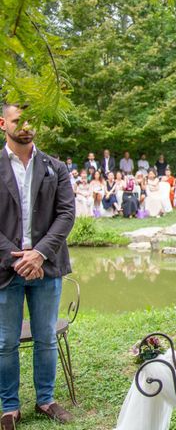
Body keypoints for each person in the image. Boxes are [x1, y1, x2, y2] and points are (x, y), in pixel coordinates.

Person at [0, 103, 75, 427]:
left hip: (46, 268)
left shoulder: (54, 167)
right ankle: (10, 406)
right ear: (3, 123)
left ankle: (46, 399)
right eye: (19, 120)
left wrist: (39, 254)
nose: (26, 126)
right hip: (5, 269)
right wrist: (16, 258)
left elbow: (66, 214)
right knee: (5, 343)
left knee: (45, 337)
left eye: (32, 121)